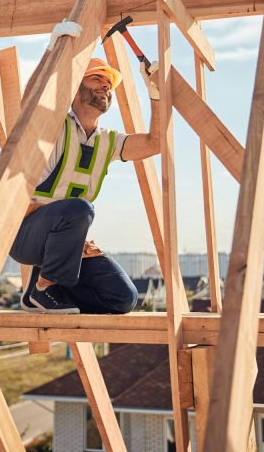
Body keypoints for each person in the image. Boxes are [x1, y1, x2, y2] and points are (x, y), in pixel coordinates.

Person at [9, 20, 160, 314]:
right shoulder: (55, 127)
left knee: (123, 299)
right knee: (80, 209)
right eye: (96, 79)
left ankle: (42, 291)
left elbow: (156, 143)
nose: (105, 85)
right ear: (76, 91)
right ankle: (44, 288)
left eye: (108, 84)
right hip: (28, 235)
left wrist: (156, 94)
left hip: (66, 246)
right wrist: (52, 51)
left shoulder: (108, 141)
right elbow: (30, 104)